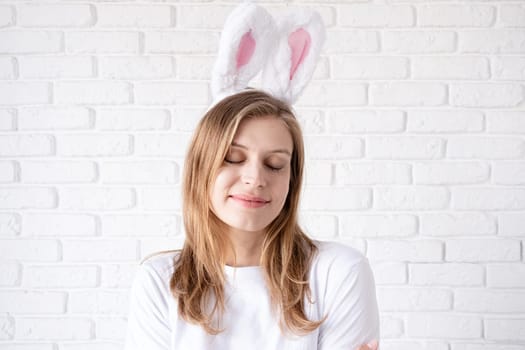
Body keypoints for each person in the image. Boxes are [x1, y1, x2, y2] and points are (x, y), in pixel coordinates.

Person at [124, 89, 380, 350]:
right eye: (233, 158)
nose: (255, 178)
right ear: (201, 167)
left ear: (291, 180)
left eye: (275, 164)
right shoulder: (159, 281)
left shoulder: (338, 272)